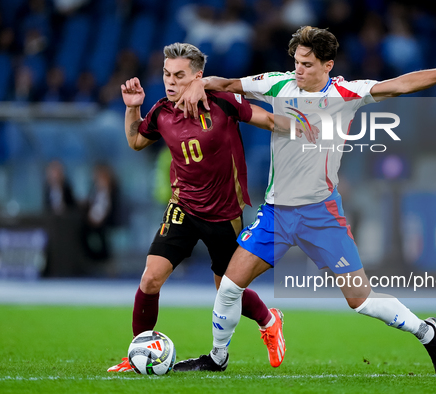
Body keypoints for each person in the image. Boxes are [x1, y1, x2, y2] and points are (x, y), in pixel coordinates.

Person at [173, 26, 436, 375]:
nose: (298, 70)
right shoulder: (278, 83)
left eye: (306, 64)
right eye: (296, 62)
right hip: (277, 213)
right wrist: (199, 82)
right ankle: (217, 358)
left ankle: (427, 332)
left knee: (361, 301)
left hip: (321, 214)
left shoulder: (346, 93)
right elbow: (227, 84)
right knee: (229, 287)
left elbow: (401, 84)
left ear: (327, 65)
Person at [108, 42, 311, 372]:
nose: (170, 82)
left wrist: (310, 129)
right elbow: (135, 141)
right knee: (150, 280)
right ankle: (139, 352)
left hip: (224, 215)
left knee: (226, 290)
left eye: (179, 76)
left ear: (198, 77)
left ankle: (269, 319)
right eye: (165, 74)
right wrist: (133, 108)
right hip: (183, 207)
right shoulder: (161, 112)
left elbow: (270, 120)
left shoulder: (223, 103)